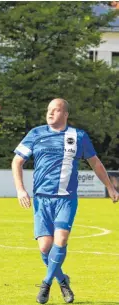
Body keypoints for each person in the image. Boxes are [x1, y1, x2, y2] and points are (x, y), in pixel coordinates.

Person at [11, 98, 119, 304]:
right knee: (45, 247)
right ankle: (62, 280)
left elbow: (95, 163)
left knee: (60, 241)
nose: (50, 113)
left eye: (56, 110)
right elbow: (17, 161)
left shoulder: (78, 136)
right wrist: (20, 189)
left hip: (66, 200)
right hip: (42, 200)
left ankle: (45, 284)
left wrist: (110, 187)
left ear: (66, 114)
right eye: (49, 110)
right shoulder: (36, 134)